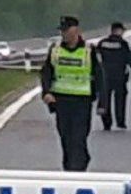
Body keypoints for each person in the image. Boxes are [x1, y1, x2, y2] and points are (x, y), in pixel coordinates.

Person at [40, 15, 105, 171]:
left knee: (78, 138)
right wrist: (46, 92)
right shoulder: (55, 49)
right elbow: (46, 73)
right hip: (61, 101)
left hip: (82, 102)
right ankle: (69, 169)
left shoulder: (89, 50)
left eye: (66, 30)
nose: (63, 34)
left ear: (75, 30)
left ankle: (77, 169)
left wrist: (103, 102)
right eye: (62, 30)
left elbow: (99, 76)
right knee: (65, 138)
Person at [96, 21, 131, 131]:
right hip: (120, 76)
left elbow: (96, 60)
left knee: (105, 99)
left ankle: (107, 123)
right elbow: (130, 60)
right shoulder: (123, 44)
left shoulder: (102, 43)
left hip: (105, 76)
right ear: (118, 31)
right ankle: (120, 121)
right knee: (120, 99)